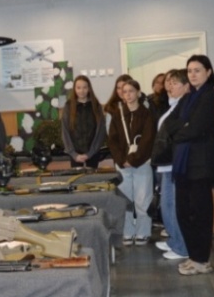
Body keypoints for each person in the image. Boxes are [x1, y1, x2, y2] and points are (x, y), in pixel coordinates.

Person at [172, 54, 214, 275]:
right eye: (190, 71)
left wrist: (179, 132)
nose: (192, 74)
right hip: (184, 164)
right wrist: (181, 129)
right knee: (184, 212)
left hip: (201, 164)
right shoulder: (188, 97)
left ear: (208, 72)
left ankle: (202, 260)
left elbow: (196, 129)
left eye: (197, 70)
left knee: (200, 213)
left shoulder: (211, 97)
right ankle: (194, 256)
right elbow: (174, 123)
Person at [108, 78, 156, 246]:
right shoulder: (117, 115)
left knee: (143, 200)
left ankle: (143, 232)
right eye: (125, 92)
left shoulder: (147, 114)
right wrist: (122, 160)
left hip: (142, 164)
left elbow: (148, 140)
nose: (128, 94)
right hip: (122, 165)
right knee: (125, 201)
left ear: (138, 93)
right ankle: (127, 231)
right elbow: (112, 140)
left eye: (131, 91)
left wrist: (133, 160)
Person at [150, 70, 191, 261]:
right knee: (166, 205)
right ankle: (175, 240)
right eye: (169, 82)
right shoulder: (172, 105)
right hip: (165, 164)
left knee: (174, 206)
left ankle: (182, 247)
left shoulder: (184, 106)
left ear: (186, 86)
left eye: (174, 83)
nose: (169, 86)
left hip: (174, 164)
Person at [60, 75, 106, 168]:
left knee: (92, 177)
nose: (82, 91)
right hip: (75, 155)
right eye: (78, 88)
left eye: (85, 87)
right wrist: (73, 154)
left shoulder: (96, 105)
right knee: (77, 177)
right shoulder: (69, 106)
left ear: (89, 88)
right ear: (74, 89)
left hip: (93, 154)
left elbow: (101, 131)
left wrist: (90, 153)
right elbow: (65, 131)